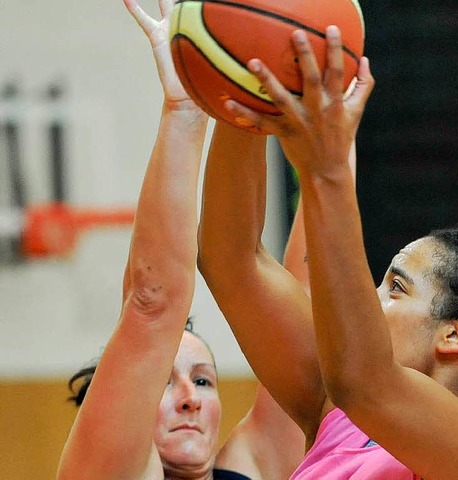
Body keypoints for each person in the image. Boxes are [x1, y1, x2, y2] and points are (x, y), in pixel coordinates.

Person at [197, 26, 458, 480]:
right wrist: (244, 81)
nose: (371, 301)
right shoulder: (338, 408)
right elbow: (232, 259)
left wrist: (327, 172)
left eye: (396, 287)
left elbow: (366, 383)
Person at [56, 1, 306, 479]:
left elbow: (303, 294)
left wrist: (251, 82)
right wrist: (185, 109)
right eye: (165, 386)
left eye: (203, 380)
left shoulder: (255, 465)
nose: (190, 399)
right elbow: (151, 305)